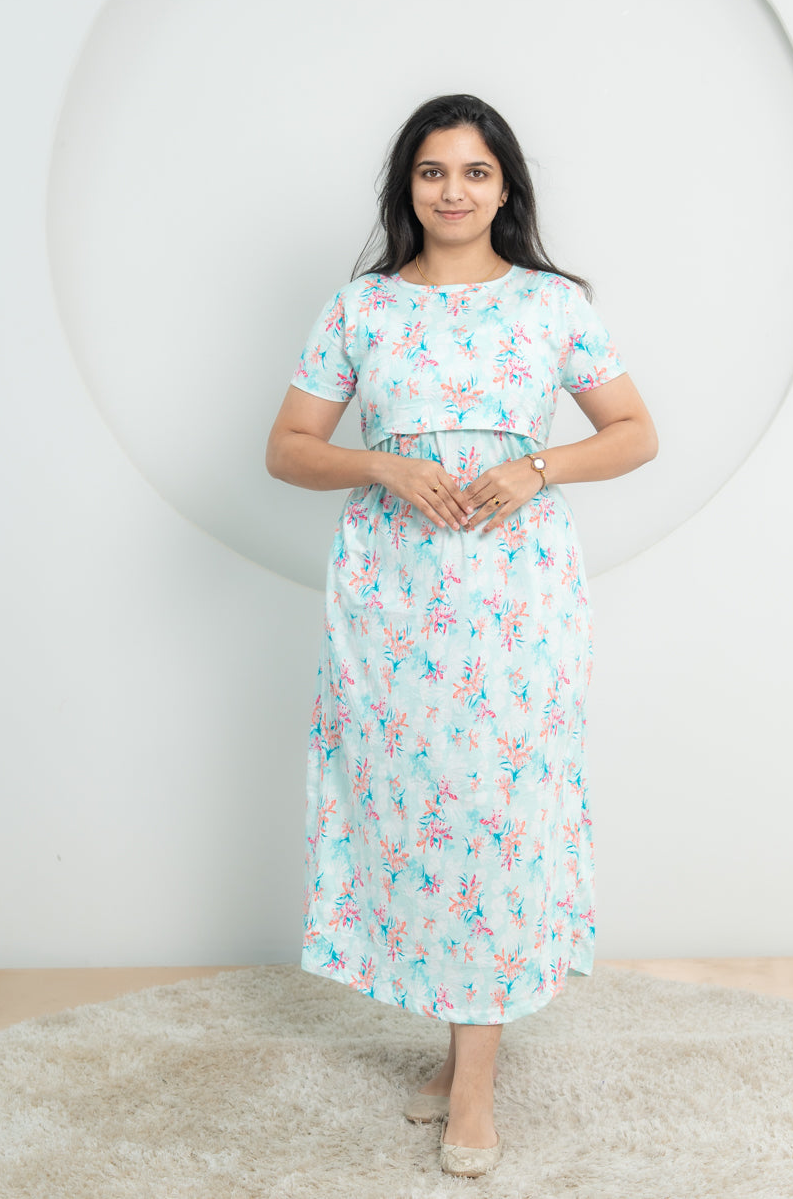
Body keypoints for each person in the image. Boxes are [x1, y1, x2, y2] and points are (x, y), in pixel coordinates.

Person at [265, 93, 658, 1178]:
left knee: (496, 813)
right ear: (408, 186)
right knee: (417, 811)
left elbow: (635, 432)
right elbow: (288, 448)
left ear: (504, 187)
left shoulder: (550, 305)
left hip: (518, 596)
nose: (453, 191)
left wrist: (537, 465)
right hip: (392, 597)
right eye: (433, 171)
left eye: (475, 172)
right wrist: (380, 463)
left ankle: (475, 1083)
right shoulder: (362, 309)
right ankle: (455, 1051)